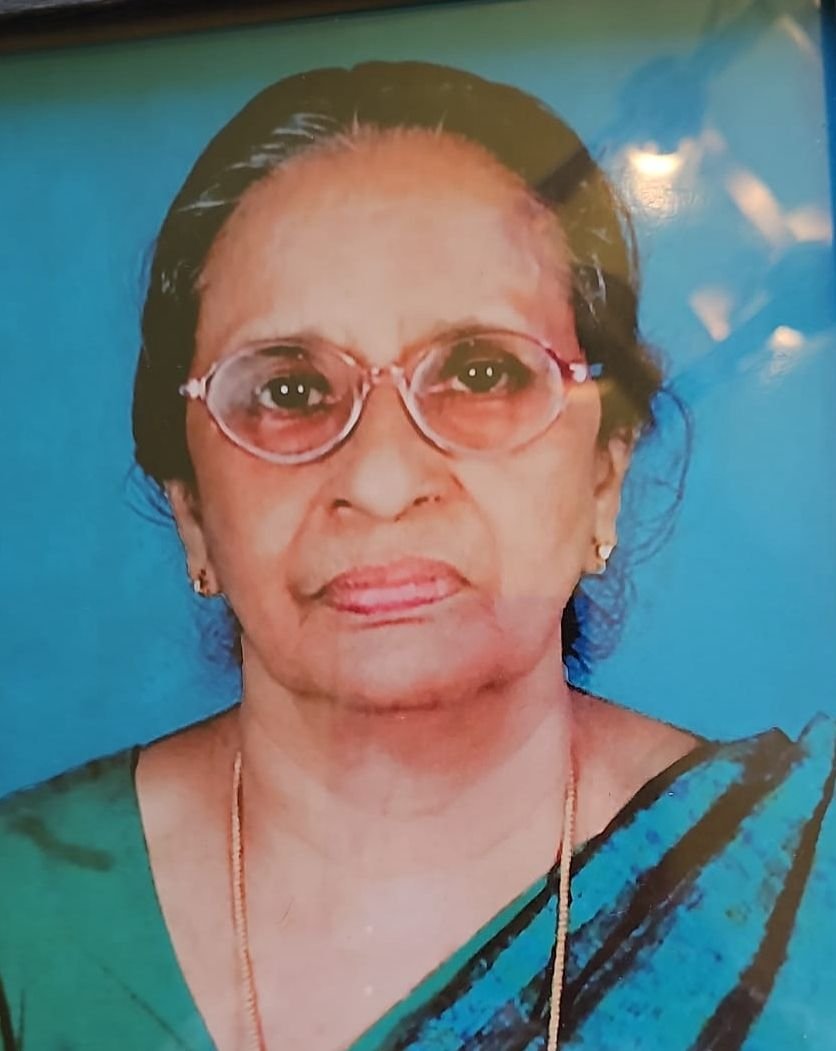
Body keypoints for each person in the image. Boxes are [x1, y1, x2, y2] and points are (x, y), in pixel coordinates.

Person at [0, 61, 832, 1051]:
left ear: (604, 474)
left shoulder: (801, 898)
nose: (384, 479)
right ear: (191, 508)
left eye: (480, 373)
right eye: (290, 391)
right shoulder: (24, 918)